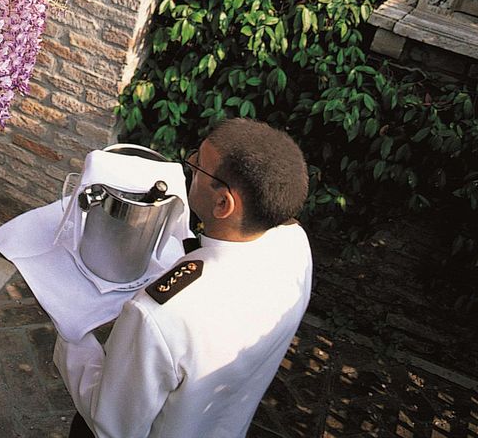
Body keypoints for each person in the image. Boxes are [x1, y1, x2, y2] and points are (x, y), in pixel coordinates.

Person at [54, 117, 312, 438]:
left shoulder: (160, 313)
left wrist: (69, 329)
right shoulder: (295, 246)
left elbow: (111, 425)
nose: (188, 165)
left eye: (199, 167)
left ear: (223, 203)